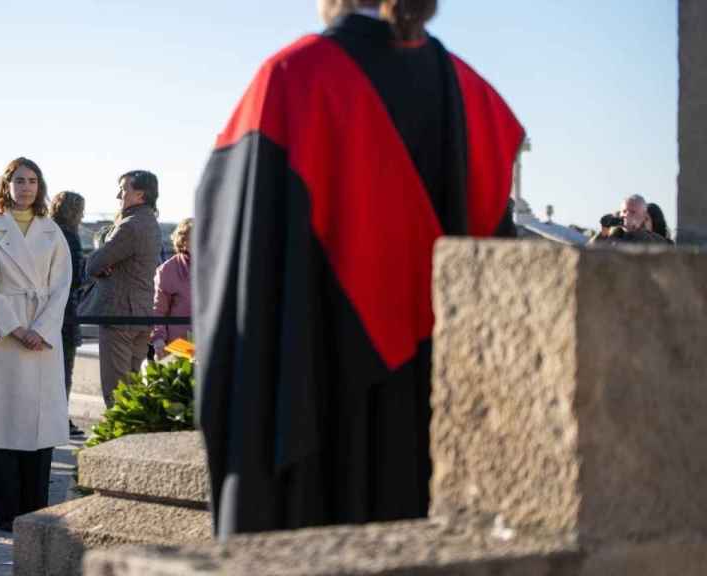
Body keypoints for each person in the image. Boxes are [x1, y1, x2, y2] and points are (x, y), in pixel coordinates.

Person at [193, 0, 525, 537]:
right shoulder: (474, 93)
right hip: (439, 415)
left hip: (317, 404)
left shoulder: (292, 79)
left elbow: (236, 262)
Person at [0, 157, 72, 532]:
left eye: (32, 181)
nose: (26, 187)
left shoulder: (52, 231)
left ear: (40, 187)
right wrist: (15, 328)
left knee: (40, 428)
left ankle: (37, 507)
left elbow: (62, 284)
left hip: (42, 339)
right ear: (7, 186)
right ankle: (7, 511)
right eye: (19, 180)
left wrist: (41, 328)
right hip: (6, 341)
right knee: (5, 426)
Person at [79, 170, 162, 407]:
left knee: (117, 393)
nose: (119, 194)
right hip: (141, 314)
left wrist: (102, 263)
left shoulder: (129, 226)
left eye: (124, 189)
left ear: (140, 194)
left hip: (119, 316)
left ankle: (117, 442)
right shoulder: (150, 223)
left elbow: (93, 264)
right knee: (133, 389)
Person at [51, 191, 86, 437]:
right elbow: (75, 279)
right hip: (65, 315)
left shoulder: (49, 231)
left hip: (48, 312)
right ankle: (60, 418)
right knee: (64, 370)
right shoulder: (70, 238)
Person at [151, 218, 193, 359]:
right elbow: (158, 310)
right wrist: (158, 339)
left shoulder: (218, 266)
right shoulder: (167, 270)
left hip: (210, 342)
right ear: (183, 241)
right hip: (179, 345)